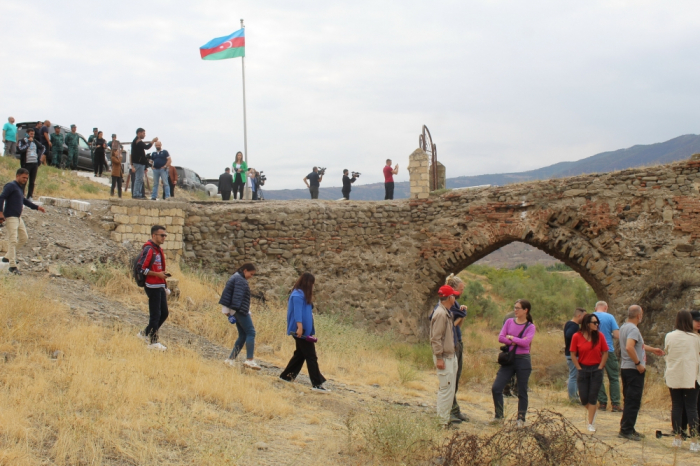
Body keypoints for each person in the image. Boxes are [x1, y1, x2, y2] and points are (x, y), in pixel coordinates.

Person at [618, 305, 664, 441]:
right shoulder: (633, 329)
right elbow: (629, 347)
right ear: (639, 315)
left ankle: (628, 427)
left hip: (625, 368)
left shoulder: (624, 327)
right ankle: (626, 430)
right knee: (633, 400)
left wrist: (652, 349)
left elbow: (638, 345)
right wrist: (638, 364)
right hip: (633, 369)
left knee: (629, 399)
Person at [280, 272, 330, 393]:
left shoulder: (303, 295)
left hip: (305, 331)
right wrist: (299, 327)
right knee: (311, 356)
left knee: (300, 354)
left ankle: (286, 376)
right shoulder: (297, 295)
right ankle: (317, 384)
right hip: (300, 331)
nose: (313, 286)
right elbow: (297, 313)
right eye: (312, 284)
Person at [492, 299, 536, 426]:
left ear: (525, 310)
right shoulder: (509, 322)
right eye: (514, 307)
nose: (515, 310)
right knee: (496, 388)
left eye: (518, 308)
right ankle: (498, 417)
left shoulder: (530, 326)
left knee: (521, 391)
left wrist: (510, 337)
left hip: (523, 360)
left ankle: (521, 419)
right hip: (509, 360)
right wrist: (514, 340)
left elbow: (526, 343)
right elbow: (501, 337)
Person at [0, 168, 47, 275]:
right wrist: (0, 213)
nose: (25, 180)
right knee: (12, 240)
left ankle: (8, 257)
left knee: (24, 238)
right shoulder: (11, 186)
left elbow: (24, 201)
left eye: (27, 178)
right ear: (17, 176)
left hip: (18, 217)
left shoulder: (19, 188)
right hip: (11, 217)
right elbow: (1, 197)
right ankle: (12, 266)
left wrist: (37, 207)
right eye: (23, 177)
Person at [665, 310, 700, 451]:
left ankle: (677, 437)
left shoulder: (669, 336)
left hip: (674, 374)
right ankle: (694, 440)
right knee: (692, 408)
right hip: (691, 376)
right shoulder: (695, 338)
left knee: (677, 407)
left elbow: (667, 351)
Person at [570, 313, 608, 433]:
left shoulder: (600, 336)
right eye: (594, 323)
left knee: (593, 397)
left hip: (596, 369)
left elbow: (605, 352)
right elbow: (572, 353)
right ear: (587, 324)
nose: (597, 325)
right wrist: (578, 367)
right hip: (583, 369)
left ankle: (590, 423)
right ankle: (593, 411)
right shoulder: (577, 336)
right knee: (584, 398)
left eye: (597, 323)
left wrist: (601, 366)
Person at [220, 263, 261, 370]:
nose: (251, 276)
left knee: (243, 335)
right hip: (239, 310)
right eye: (251, 274)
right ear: (245, 270)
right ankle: (250, 360)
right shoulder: (241, 281)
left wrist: (228, 312)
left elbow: (227, 295)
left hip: (235, 311)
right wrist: (242, 311)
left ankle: (230, 360)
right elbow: (237, 298)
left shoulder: (235, 277)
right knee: (251, 332)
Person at [430, 285, 460, 427]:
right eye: (453, 295)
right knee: (446, 389)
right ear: (449, 298)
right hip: (445, 357)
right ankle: (441, 422)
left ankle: (444, 420)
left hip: (449, 355)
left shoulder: (445, 312)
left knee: (449, 389)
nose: (455, 298)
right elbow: (436, 338)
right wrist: (439, 357)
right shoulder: (441, 314)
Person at [136, 225, 170, 351]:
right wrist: (157, 274)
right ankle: (153, 342)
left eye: (165, 235)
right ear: (154, 235)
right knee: (155, 314)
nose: (164, 238)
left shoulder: (158, 250)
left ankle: (144, 334)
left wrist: (164, 282)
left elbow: (159, 268)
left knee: (164, 313)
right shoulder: (149, 249)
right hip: (152, 285)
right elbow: (141, 269)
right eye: (162, 235)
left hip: (159, 284)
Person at [445, 274, 469, 423]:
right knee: (451, 378)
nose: (462, 291)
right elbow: (450, 325)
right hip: (452, 343)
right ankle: (450, 411)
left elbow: (458, 324)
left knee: (456, 377)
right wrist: (462, 314)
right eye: (461, 289)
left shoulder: (456, 303)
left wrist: (462, 316)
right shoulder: (448, 304)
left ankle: (454, 409)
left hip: (458, 341)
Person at [594, 301, 621, 412]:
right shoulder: (610, 317)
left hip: (594, 351)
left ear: (596, 308)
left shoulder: (590, 317)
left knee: (598, 377)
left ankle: (602, 403)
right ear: (606, 307)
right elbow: (617, 335)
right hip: (608, 350)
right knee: (613, 378)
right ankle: (615, 404)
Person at [564, 308, 587, 403]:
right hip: (573, 355)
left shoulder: (569, 324)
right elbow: (569, 334)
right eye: (584, 316)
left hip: (570, 354)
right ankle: (573, 398)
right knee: (573, 376)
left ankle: (575, 395)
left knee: (574, 376)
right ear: (579, 316)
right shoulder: (574, 327)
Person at [16, 128, 45, 200]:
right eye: (31, 134)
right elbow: (20, 149)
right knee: (24, 180)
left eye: (33, 134)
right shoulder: (22, 141)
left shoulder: (35, 141)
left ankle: (30, 196)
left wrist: (39, 157)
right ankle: (21, 195)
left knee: (32, 181)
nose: (32, 135)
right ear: (27, 133)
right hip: (26, 163)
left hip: (34, 163)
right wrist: (28, 142)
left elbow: (43, 147)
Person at [131, 128, 157, 200]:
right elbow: (147, 147)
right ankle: (136, 194)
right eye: (143, 133)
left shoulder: (137, 141)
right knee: (138, 178)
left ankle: (139, 193)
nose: (144, 135)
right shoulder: (137, 141)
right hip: (138, 163)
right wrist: (153, 141)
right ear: (139, 133)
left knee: (140, 179)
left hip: (140, 163)